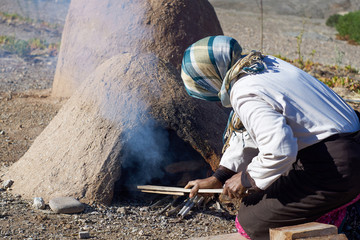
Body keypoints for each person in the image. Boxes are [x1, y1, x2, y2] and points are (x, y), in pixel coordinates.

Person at [181, 35, 360, 240]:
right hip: (347, 148)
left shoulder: (243, 90)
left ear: (210, 77)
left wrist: (247, 178)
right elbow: (249, 135)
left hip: (337, 165)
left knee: (251, 221)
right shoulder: (260, 64)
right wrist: (218, 178)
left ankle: (348, 219)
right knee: (264, 192)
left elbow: (280, 149)